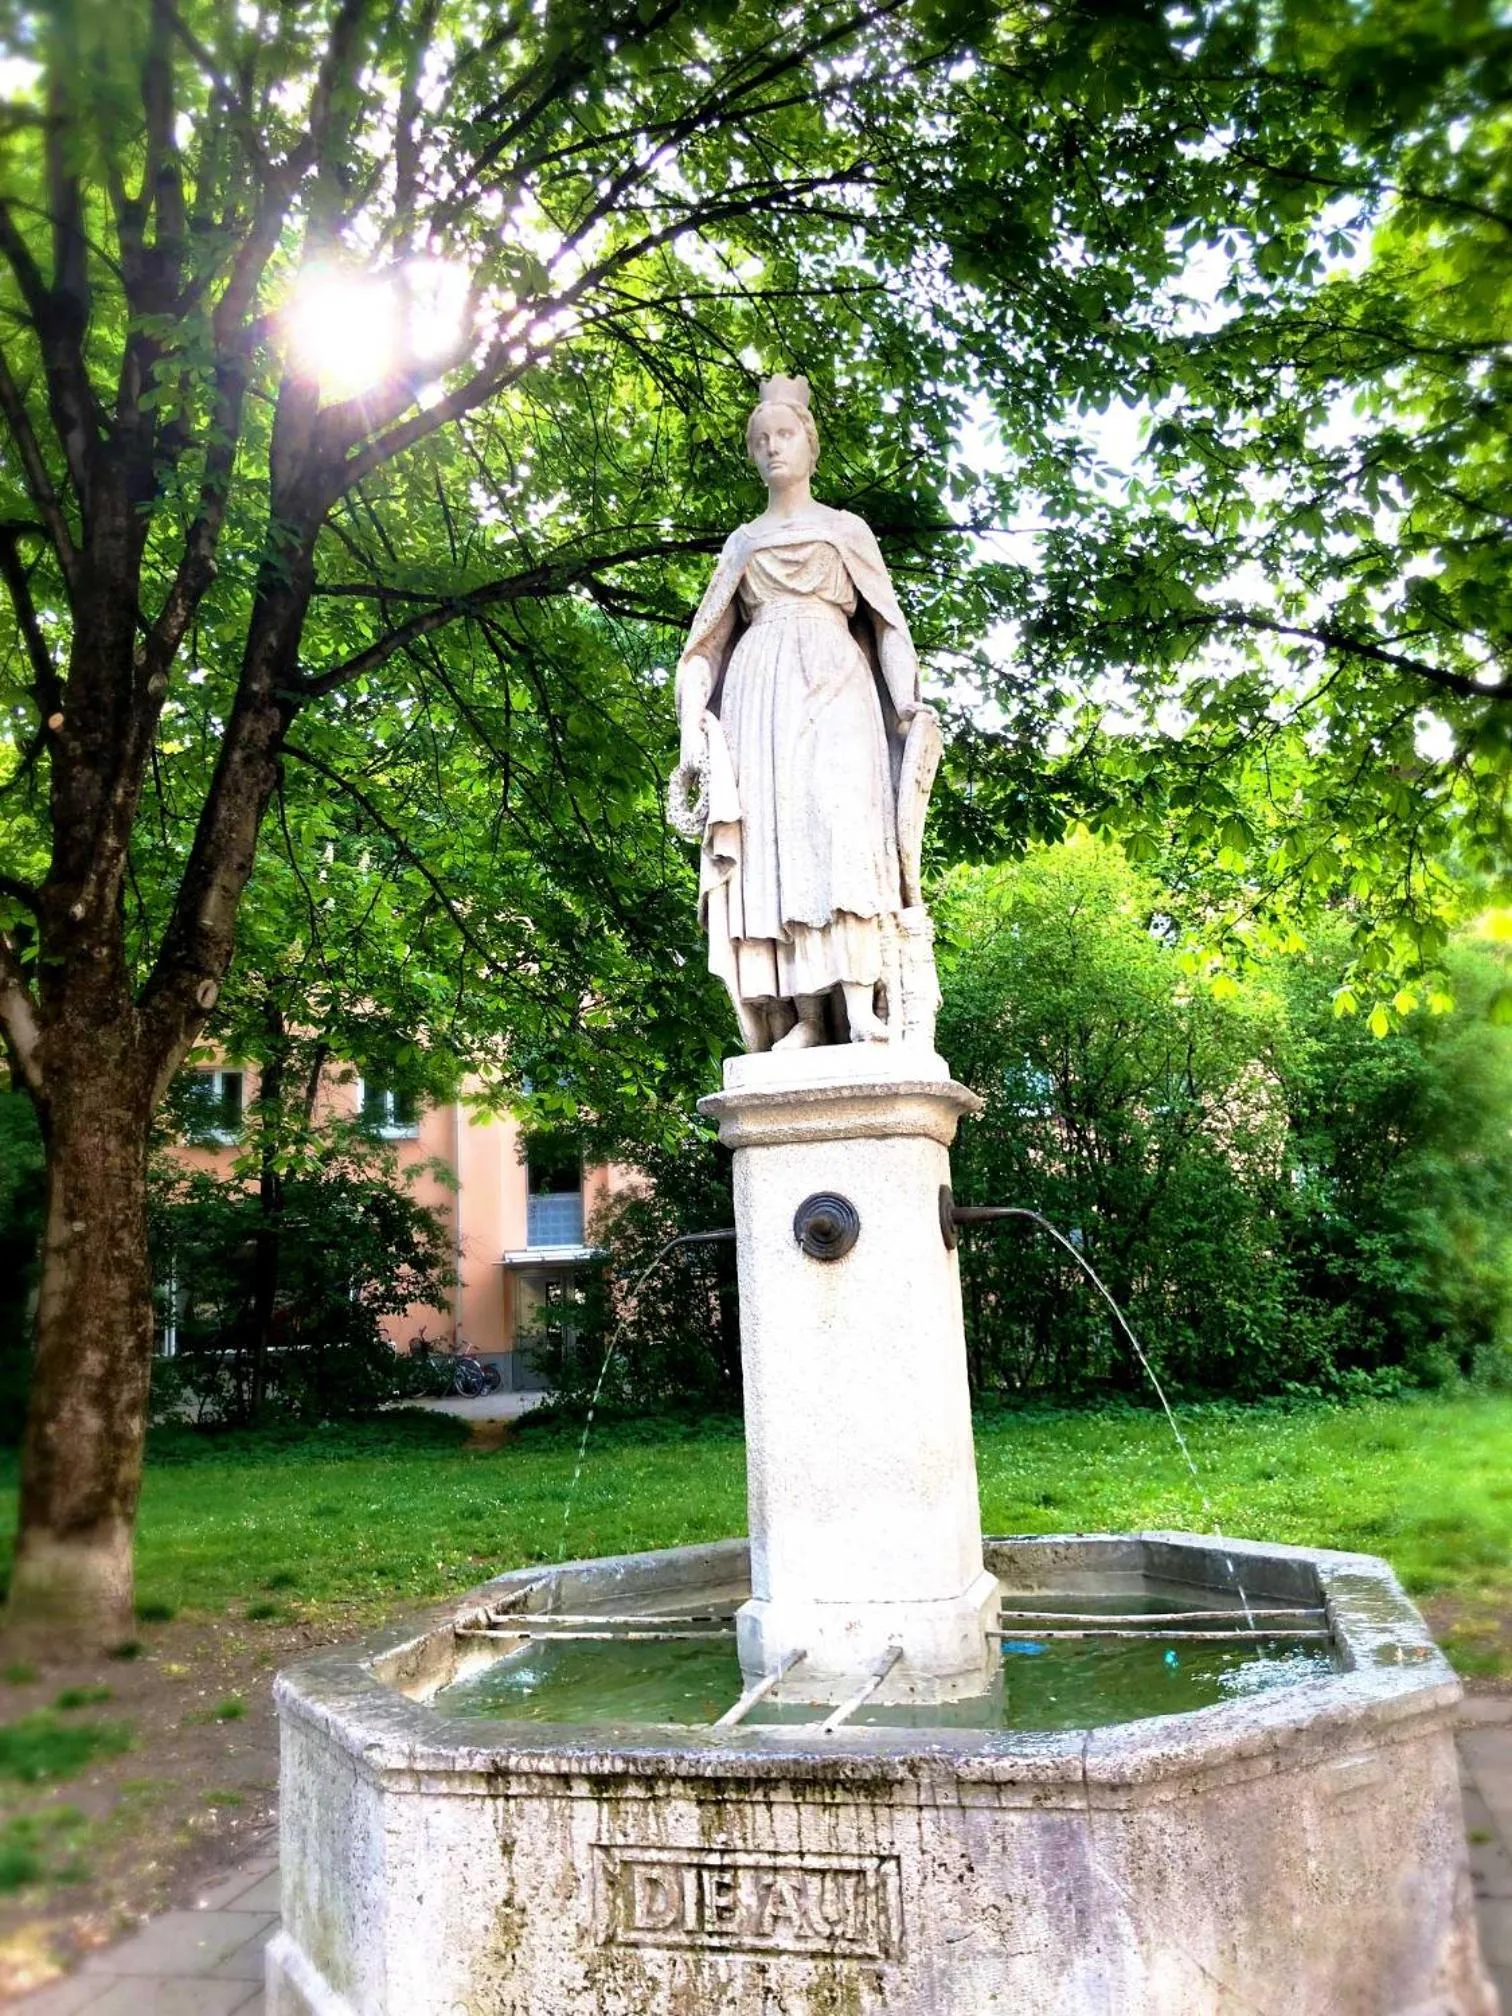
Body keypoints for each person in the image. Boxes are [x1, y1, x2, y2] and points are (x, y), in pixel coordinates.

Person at [671, 375, 936, 1053]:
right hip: (760, 699)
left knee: (841, 832)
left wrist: (907, 705)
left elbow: (889, 629)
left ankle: (861, 1002)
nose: (771, 449)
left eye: (783, 435)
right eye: (760, 440)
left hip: (838, 684)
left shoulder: (846, 531)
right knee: (780, 850)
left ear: (810, 445)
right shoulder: (741, 544)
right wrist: (690, 728)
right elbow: (701, 649)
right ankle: (806, 1018)